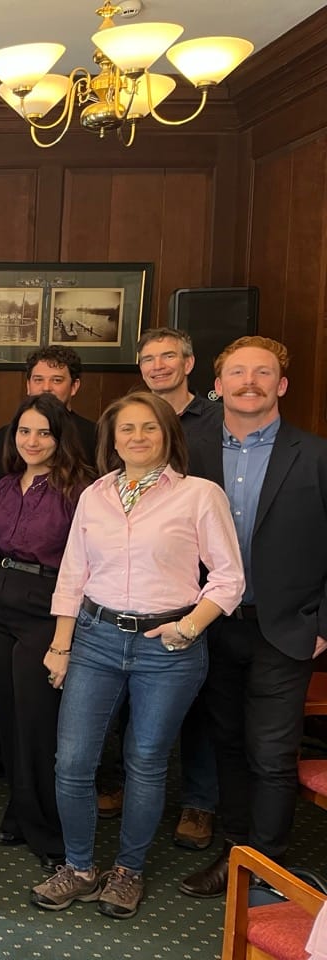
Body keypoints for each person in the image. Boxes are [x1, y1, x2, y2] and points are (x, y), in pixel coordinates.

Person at [32, 392, 243, 920]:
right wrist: (60, 646)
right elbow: (73, 574)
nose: (138, 437)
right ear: (112, 439)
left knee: (145, 761)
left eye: (149, 427)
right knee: (73, 761)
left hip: (167, 648)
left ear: (169, 434)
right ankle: (79, 868)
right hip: (96, 639)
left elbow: (228, 577)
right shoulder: (95, 495)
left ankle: (128, 872)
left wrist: (189, 627)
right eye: (127, 428)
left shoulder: (200, 495)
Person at [178, 336, 327, 899]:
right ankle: (237, 855)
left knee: (271, 753)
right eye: (237, 373)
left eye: (262, 373)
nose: (249, 382)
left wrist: (323, 626)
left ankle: (268, 870)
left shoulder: (316, 455)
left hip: (286, 628)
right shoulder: (188, 451)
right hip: (213, 624)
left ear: (281, 385)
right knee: (229, 745)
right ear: (218, 386)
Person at [0, 394, 94, 870]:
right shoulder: (6, 485)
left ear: (60, 437)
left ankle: (49, 830)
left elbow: (84, 562)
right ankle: (20, 810)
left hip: (46, 609)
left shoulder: (79, 489)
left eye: (44, 432)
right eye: (24, 431)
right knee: (7, 718)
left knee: (38, 722)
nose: (32, 441)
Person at [136, 327, 225, 850]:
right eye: (149, 358)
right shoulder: (134, 418)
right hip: (144, 580)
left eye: (168, 356)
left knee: (199, 704)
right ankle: (128, 786)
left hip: (203, 583)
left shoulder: (215, 421)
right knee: (133, 701)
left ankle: (198, 801)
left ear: (189, 363)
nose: (158, 365)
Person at [0, 346, 98, 491]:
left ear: (74, 386)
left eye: (56, 380)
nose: (46, 388)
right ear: (28, 385)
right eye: (38, 380)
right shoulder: (1, 438)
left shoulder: (96, 436)